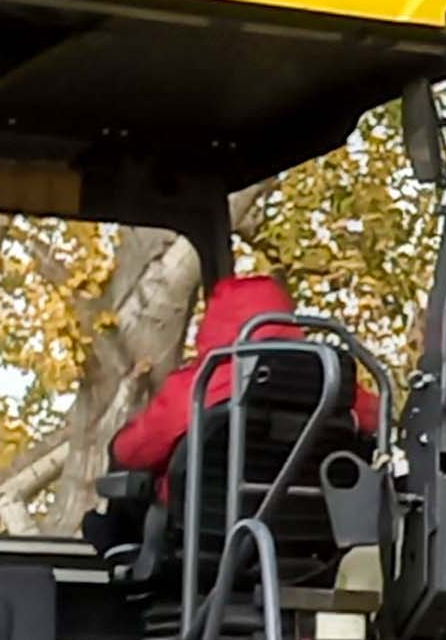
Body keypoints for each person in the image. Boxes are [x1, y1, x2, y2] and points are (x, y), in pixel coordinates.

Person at [102, 222, 343, 560]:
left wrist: (116, 447)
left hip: (203, 547)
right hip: (308, 551)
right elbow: (377, 423)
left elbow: (133, 452)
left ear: (215, 321)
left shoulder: (202, 385)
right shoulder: (334, 384)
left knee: (111, 518)